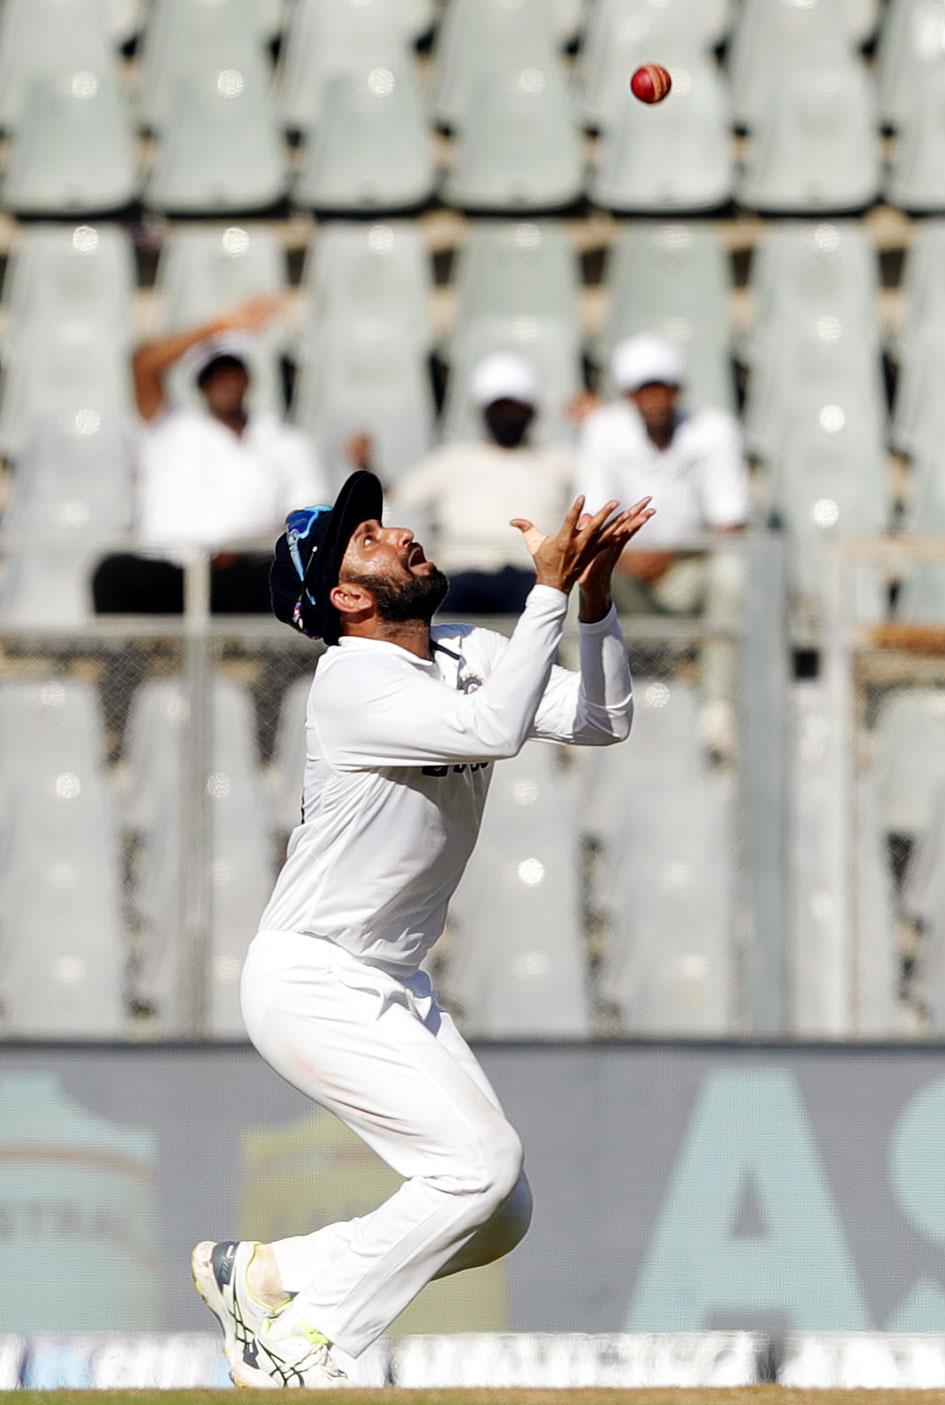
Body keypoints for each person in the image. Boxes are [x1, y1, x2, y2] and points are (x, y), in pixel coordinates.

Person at [190, 470, 653, 1388]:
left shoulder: (464, 650)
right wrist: (549, 591)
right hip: (312, 978)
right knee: (479, 1167)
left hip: (393, 983)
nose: (397, 532)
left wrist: (593, 601)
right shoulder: (350, 684)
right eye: (367, 539)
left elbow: (603, 721)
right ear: (349, 597)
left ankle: (277, 1276)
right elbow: (492, 729)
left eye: (382, 522)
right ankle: (310, 1332)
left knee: (500, 1207)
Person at [92, 297, 327, 615]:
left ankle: (269, 662)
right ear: (200, 383)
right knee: (114, 573)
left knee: (291, 577)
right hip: (170, 572)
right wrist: (220, 326)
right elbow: (144, 363)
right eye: (213, 374)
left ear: (248, 378)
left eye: (232, 372)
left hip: (245, 570)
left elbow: (308, 518)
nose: (223, 381)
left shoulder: (286, 440)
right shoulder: (169, 427)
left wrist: (243, 547)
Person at [577, 333, 750, 721]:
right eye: (644, 389)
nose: (655, 398)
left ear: (677, 391)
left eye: (663, 387)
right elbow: (593, 517)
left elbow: (731, 523)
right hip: (621, 570)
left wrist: (667, 554)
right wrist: (623, 558)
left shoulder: (715, 429)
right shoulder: (603, 430)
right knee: (578, 579)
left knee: (732, 573)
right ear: (629, 396)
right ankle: (583, 705)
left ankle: (717, 706)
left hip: (690, 570)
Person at [373, 352, 573, 614]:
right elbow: (397, 499)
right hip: (463, 574)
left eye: (516, 409)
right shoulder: (452, 459)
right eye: (500, 409)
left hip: (532, 576)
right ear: (482, 412)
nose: (508, 417)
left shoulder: (562, 462)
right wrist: (367, 465)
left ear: (533, 412)